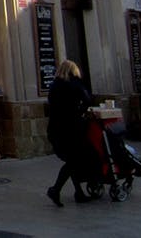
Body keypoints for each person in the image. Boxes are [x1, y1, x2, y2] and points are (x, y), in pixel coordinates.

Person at [45, 59, 94, 205]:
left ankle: (78, 192)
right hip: (72, 128)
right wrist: (80, 112)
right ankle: (55, 189)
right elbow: (87, 100)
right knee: (74, 160)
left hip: (55, 129)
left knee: (72, 161)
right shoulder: (74, 84)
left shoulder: (54, 86)